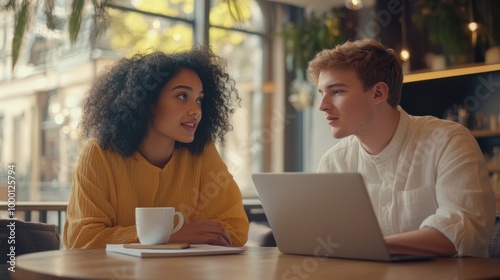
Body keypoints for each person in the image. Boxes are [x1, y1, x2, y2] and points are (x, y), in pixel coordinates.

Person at [307, 39, 495, 258]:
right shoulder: (333, 163)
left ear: (378, 93)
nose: (323, 106)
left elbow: (459, 232)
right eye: (321, 93)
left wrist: (366, 247)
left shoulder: (448, 142)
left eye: (337, 91)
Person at [63, 46, 249, 249]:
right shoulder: (98, 154)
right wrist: (171, 234)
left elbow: (235, 229)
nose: (196, 110)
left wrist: (161, 237)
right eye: (182, 97)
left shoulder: (203, 154)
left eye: (199, 100)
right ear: (148, 102)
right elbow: (82, 239)